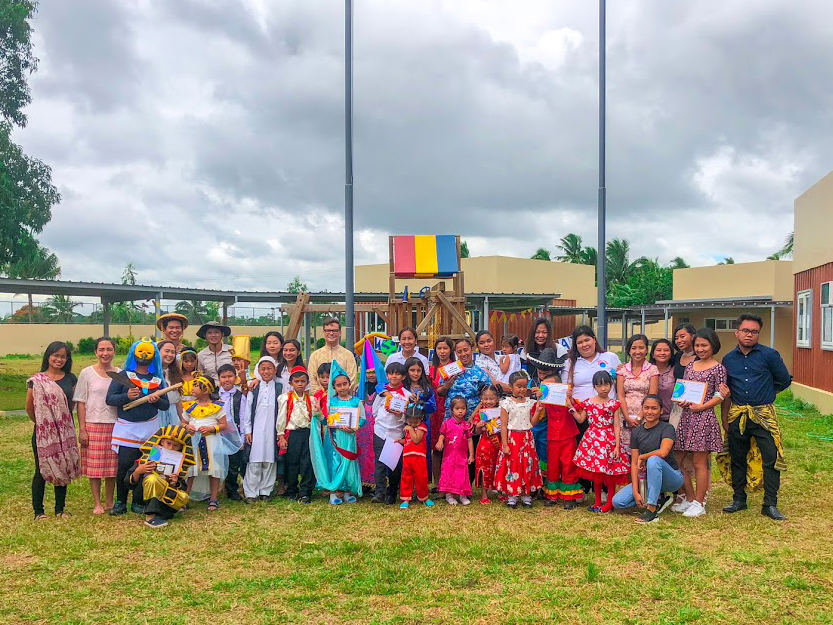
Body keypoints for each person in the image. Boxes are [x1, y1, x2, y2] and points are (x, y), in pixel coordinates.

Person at [719, 314, 791, 521]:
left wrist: (767, 392)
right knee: (737, 457)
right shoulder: (728, 359)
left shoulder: (770, 355)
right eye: (745, 331)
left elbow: (784, 380)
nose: (749, 335)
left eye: (754, 332)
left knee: (771, 458)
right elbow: (727, 391)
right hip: (738, 415)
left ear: (759, 334)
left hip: (763, 415)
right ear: (737, 333)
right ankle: (739, 499)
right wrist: (725, 418)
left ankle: (770, 504)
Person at [107, 338, 170, 516]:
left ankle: (138, 501)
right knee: (124, 465)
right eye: (140, 352)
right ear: (133, 354)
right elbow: (110, 399)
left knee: (147, 465)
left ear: (154, 356)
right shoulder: (123, 376)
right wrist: (127, 396)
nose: (143, 356)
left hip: (151, 428)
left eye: (148, 353)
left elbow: (165, 405)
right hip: (127, 429)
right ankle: (120, 501)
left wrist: (156, 400)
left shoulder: (157, 380)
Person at [672, 328, 727, 518]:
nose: (700, 349)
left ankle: (699, 502)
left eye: (704, 345)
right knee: (676, 459)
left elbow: (720, 395)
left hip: (703, 419)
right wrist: (681, 400)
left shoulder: (718, 368)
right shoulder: (690, 365)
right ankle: (689, 497)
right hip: (685, 417)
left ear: (713, 346)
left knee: (699, 462)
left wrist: (702, 406)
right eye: (697, 345)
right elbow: (684, 389)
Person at [26, 341, 80, 520]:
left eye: (63, 356)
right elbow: (29, 407)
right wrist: (45, 425)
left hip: (65, 432)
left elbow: (71, 404)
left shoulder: (71, 379)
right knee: (41, 469)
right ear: (48, 356)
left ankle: (60, 509)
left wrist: (61, 423)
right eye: (56, 355)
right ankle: (39, 512)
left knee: (63, 466)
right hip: (43, 433)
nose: (59, 359)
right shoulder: (37, 380)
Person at [612, 395, 683, 523]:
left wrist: (643, 456)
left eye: (654, 408)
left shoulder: (667, 428)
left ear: (661, 411)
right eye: (646, 408)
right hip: (649, 479)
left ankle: (651, 509)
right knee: (618, 502)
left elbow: (663, 452)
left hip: (671, 479)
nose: (650, 412)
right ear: (642, 409)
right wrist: (635, 492)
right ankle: (658, 498)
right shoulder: (637, 432)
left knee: (653, 460)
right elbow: (634, 463)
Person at [527, 347, 582, 508]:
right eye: (546, 387)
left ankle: (569, 497)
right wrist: (539, 402)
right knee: (552, 465)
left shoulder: (568, 400)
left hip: (568, 436)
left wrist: (569, 400)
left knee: (568, 465)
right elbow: (534, 419)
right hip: (551, 437)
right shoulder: (544, 403)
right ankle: (551, 495)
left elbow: (579, 412)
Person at [569, 370, 629, 513]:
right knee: (595, 473)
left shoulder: (614, 404)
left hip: (608, 440)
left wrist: (617, 446)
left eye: (606, 385)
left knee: (609, 473)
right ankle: (597, 501)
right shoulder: (588, 402)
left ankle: (610, 502)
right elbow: (581, 419)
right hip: (592, 440)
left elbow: (616, 425)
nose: (603, 388)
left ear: (611, 385)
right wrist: (572, 409)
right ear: (594, 386)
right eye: (599, 385)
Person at [74, 337, 119, 514]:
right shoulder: (87, 373)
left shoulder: (120, 373)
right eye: (101, 349)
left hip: (115, 424)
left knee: (111, 467)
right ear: (95, 352)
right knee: (94, 467)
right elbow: (81, 402)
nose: (105, 353)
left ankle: (109, 502)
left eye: (109, 349)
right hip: (93, 424)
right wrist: (82, 429)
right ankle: (97, 503)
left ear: (114, 351)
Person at [310, 360, 364, 504]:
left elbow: (362, 419)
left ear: (349, 384)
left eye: (345, 384)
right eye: (339, 385)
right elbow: (326, 421)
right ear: (334, 387)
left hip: (349, 438)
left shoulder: (356, 401)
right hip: (333, 439)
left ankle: (346, 492)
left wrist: (354, 428)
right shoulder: (331, 402)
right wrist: (317, 413)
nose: (342, 387)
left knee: (348, 463)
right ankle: (333, 493)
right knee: (334, 463)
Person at [182, 373, 237, 510]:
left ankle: (213, 498)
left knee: (214, 469)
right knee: (192, 469)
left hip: (211, 442)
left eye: (196, 386)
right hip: (194, 442)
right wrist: (187, 427)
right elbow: (183, 422)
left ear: (206, 390)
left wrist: (212, 428)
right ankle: (184, 498)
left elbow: (224, 425)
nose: (192, 389)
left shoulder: (216, 407)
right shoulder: (190, 407)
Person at [127, 425, 195, 528]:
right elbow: (128, 483)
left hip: (165, 498)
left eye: (175, 446)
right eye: (168, 443)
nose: (171, 448)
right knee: (152, 479)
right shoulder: (145, 460)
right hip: (143, 496)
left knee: (184, 497)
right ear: (162, 441)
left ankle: (162, 512)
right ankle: (151, 516)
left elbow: (183, 487)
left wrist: (175, 482)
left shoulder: (179, 465)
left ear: (180, 447)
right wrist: (138, 471)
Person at [494, 372, 543, 509]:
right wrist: (504, 444)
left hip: (526, 437)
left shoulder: (530, 402)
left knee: (526, 464)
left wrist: (538, 411)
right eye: (519, 386)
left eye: (524, 386)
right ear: (511, 387)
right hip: (512, 438)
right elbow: (503, 425)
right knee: (513, 465)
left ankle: (526, 495)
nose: (522, 389)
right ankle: (512, 495)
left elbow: (532, 423)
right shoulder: (506, 403)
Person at [277, 366, 319, 504]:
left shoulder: (312, 400)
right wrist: (281, 436)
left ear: (307, 383)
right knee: (292, 462)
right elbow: (281, 417)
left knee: (307, 463)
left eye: (303, 381)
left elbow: (316, 418)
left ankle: (305, 492)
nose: (300, 384)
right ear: (290, 383)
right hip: (292, 434)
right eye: (296, 381)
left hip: (307, 433)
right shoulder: (285, 398)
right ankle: (292, 490)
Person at [616, 334, 659, 466]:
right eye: (634, 348)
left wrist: (640, 417)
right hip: (625, 418)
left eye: (641, 348)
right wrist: (627, 417)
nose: (637, 351)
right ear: (629, 350)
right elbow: (620, 395)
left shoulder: (652, 370)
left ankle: (645, 479)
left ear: (646, 350)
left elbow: (652, 395)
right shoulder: (622, 370)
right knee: (626, 456)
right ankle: (630, 479)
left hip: (646, 417)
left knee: (644, 454)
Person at [242, 356, 280, 502]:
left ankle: (266, 491)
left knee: (270, 460)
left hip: (272, 428)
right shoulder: (254, 388)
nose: (266, 372)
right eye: (263, 369)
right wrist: (248, 430)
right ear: (258, 370)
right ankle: (251, 492)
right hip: (256, 428)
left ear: (275, 370)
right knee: (255, 460)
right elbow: (247, 410)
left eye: (269, 368)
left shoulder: (279, 387)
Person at [371, 361, 410, 504]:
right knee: (379, 463)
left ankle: (392, 492)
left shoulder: (407, 395)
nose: (394, 376)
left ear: (403, 377)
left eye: (398, 374)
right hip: (380, 431)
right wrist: (379, 421)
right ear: (387, 375)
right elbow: (375, 410)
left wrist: (399, 415)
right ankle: (379, 492)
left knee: (394, 465)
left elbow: (408, 417)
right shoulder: (381, 393)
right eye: (391, 373)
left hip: (396, 433)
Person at [437, 338, 491, 420]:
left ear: (472, 349)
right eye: (459, 352)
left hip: (472, 418)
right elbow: (439, 392)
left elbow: (488, 395)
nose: (463, 354)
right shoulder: (449, 370)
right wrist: (446, 386)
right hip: (451, 419)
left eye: (466, 350)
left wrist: (477, 416)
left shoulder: (480, 373)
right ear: (456, 353)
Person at [358, 338, 386, 490]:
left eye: (373, 372)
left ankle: (378, 482)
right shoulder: (360, 388)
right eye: (367, 372)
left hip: (378, 426)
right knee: (363, 453)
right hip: (363, 428)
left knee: (376, 454)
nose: (370, 375)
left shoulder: (384, 389)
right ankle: (364, 481)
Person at [436, 395, 475, 505]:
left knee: (462, 474)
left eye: (463, 408)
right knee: (449, 474)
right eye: (457, 408)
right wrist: (440, 441)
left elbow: (470, 440)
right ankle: (449, 495)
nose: (460, 411)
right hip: (449, 456)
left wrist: (471, 455)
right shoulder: (447, 423)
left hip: (462, 456)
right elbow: (442, 434)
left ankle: (462, 495)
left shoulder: (466, 425)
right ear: (451, 410)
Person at [218, 363, 248, 501]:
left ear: (235, 378)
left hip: (234, 433)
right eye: (223, 377)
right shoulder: (214, 395)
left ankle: (232, 489)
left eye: (230, 376)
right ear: (219, 379)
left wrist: (242, 436)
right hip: (217, 432)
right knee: (218, 461)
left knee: (233, 462)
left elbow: (243, 416)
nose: (227, 379)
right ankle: (216, 488)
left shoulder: (239, 396)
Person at [403, 356, 437, 479]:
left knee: (422, 451)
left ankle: (422, 480)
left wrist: (421, 403)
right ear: (406, 371)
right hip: (404, 424)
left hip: (422, 424)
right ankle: (405, 481)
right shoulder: (402, 387)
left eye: (418, 370)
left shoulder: (427, 388)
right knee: (406, 450)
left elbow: (433, 407)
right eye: (412, 370)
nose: (415, 373)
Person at [307, 317, 358, 394]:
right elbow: (311, 378)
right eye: (328, 330)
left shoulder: (348, 355)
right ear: (323, 332)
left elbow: (352, 379)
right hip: (319, 398)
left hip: (342, 398)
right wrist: (322, 395)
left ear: (340, 332)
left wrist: (337, 394)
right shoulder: (315, 355)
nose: (331, 333)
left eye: (334, 330)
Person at [428, 337, 455, 484]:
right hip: (435, 412)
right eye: (439, 348)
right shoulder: (432, 370)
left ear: (450, 350)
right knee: (436, 448)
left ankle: (450, 482)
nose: (442, 351)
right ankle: (437, 483)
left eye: (445, 348)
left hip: (453, 411)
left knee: (452, 447)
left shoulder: (456, 368)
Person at [471, 385, 502, 504]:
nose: (488, 402)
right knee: (484, 468)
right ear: (481, 399)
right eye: (486, 399)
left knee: (498, 467)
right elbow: (477, 432)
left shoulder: (501, 411)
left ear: (497, 399)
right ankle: (484, 494)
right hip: (484, 444)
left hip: (499, 443)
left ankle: (500, 492)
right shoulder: (480, 413)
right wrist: (479, 426)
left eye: (491, 399)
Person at [399, 408, 434, 509]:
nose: (413, 424)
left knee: (421, 478)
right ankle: (406, 498)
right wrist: (400, 441)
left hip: (419, 457)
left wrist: (410, 429)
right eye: (410, 422)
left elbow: (416, 439)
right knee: (406, 477)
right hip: (407, 456)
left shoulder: (422, 427)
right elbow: (408, 440)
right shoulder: (409, 428)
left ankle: (424, 497)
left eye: (415, 422)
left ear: (421, 418)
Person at [156, 340, 184, 428]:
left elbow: (177, 400)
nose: (170, 355)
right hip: (156, 415)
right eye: (167, 351)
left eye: (173, 352)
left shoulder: (175, 373)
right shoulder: (151, 373)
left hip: (173, 414)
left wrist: (183, 420)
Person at [522, 318, 557, 385]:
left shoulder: (558, 349)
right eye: (537, 332)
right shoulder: (525, 351)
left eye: (544, 332)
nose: (540, 335)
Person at [650, 339, 675, 422]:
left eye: (666, 350)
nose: (662, 353)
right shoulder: (647, 370)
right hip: (649, 416)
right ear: (653, 354)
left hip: (671, 417)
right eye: (659, 350)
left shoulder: (675, 371)